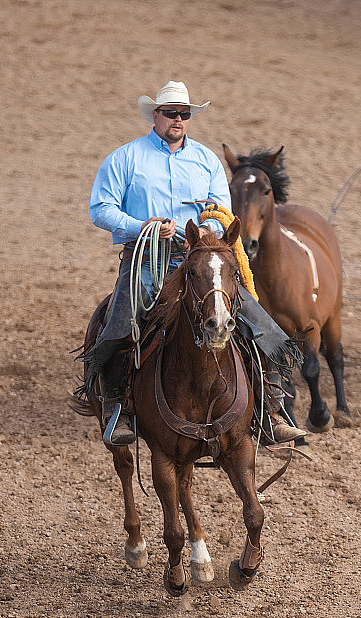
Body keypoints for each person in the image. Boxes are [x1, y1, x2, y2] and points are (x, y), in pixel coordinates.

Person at [86, 80, 307, 446]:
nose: (178, 119)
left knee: (256, 319)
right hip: (147, 260)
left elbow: (222, 210)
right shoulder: (125, 158)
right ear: (155, 115)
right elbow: (102, 209)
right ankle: (116, 407)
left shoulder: (206, 160)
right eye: (171, 113)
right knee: (122, 319)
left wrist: (204, 229)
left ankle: (271, 408)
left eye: (184, 114)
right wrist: (142, 226)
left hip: (202, 259)